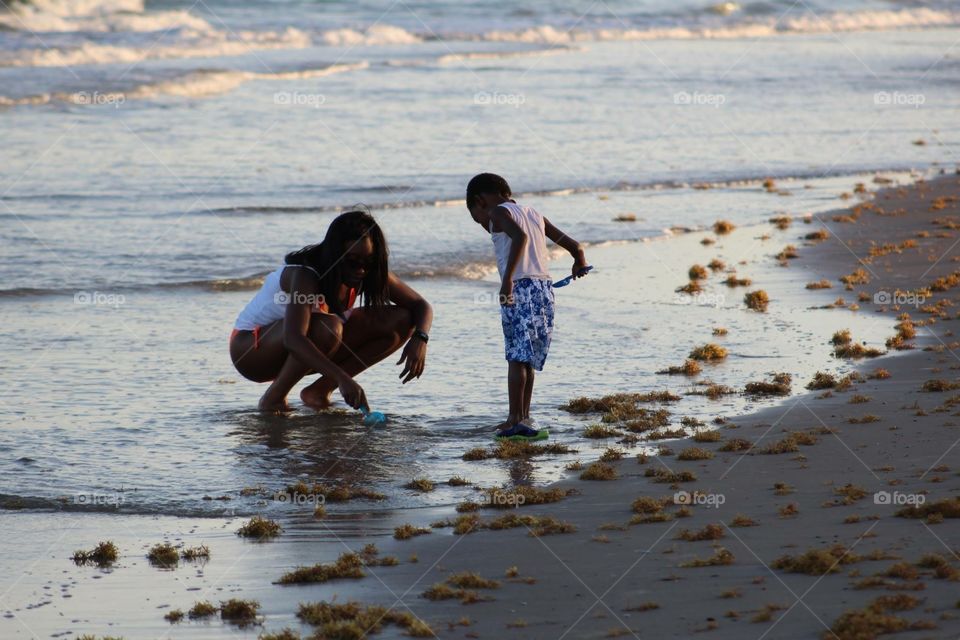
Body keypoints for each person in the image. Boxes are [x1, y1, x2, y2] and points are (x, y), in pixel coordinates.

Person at [229, 209, 433, 413]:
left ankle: (319, 391)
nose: (360, 270)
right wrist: (343, 378)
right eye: (352, 262)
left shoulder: (366, 271)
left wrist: (420, 338)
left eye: (368, 262)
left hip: (306, 348)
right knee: (329, 326)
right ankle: (273, 398)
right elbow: (294, 338)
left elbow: (420, 306)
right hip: (250, 352)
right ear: (335, 254)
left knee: (402, 319)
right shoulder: (305, 275)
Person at [466, 173, 588, 439]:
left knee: (516, 356)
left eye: (477, 217)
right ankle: (524, 416)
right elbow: (574, 245)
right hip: (544, 289)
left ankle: (513, 419)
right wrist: (578, 260)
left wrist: (507, 280)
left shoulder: (498, 213)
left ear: (480, 201)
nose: (483, 224)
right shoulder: (533, 212)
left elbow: (519, 238)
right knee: (528, 357)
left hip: (520, 288)